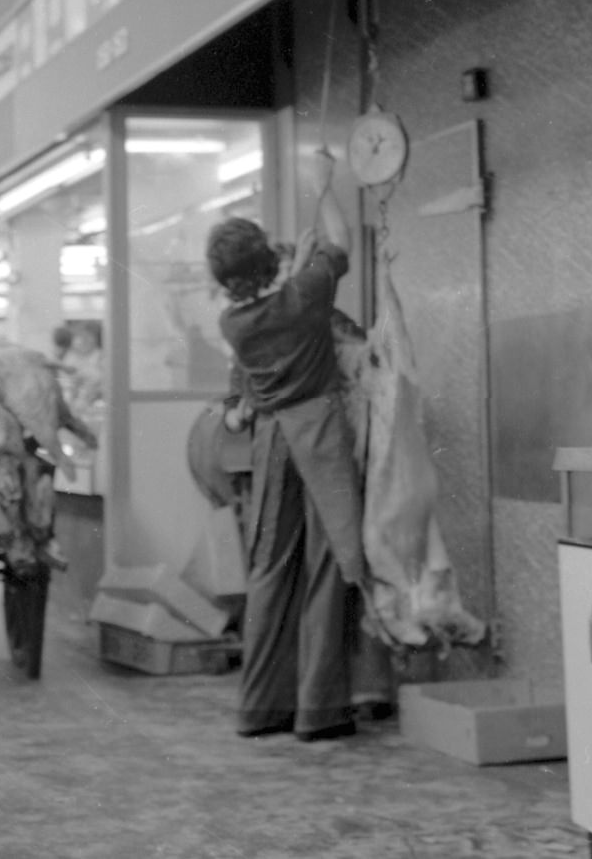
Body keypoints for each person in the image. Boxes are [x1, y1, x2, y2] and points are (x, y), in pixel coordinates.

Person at [206, 150, 376, 742]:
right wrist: (324, 186)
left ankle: (260, 708)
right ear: (268, 259)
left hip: (273, 439)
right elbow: (342, 238)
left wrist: (297, 265)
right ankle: (319, 710)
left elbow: (271, 308)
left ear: (223, 279)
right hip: (321, 430)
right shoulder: (305, 295)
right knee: (329, 562)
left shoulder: (235, 325)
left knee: (272, 568)